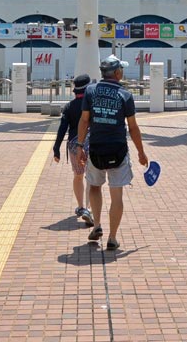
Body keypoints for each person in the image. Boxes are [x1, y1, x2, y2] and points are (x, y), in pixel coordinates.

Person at [77, 55, 148, 251]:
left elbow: (84, 121)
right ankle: (112, 238)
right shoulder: (125, 95)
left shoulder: (91, 91)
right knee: (117, 196)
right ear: (117, 73)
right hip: (118, 150)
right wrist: (141, 153)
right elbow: (133, 127)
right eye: (121, 70)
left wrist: (80, 146)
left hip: (96, 150)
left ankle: (97, 225)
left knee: (94, 187)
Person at [53, 74, 94, 226]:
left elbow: (62, 129)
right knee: (92, 177)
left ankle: (82, 207)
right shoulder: (92, 104)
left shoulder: (69, 107)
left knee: (78, 176)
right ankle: (89, 208)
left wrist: (56, 149)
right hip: (92, 143)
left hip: (74, 145)